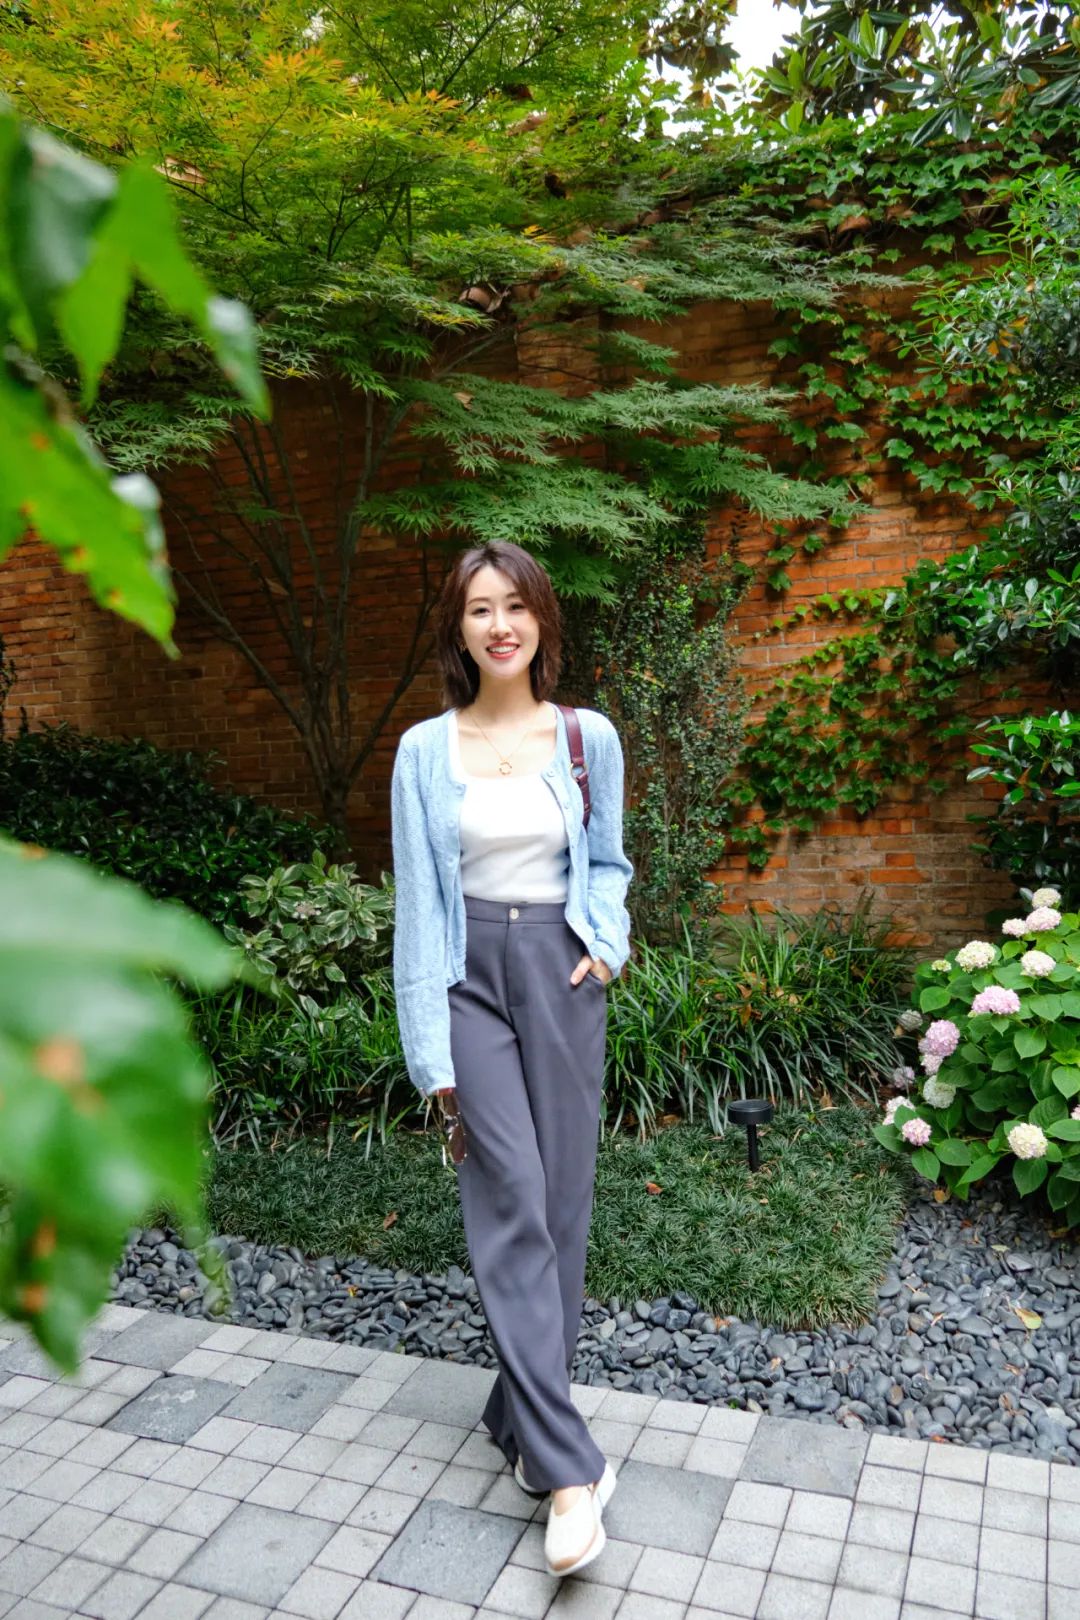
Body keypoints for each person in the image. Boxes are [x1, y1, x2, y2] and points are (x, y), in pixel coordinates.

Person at [390, 540, 634, 1577]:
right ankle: (569, 1473)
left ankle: (520, 1418)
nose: (500, 625)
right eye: (480, 609)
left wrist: (605, 946)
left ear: (541, 619)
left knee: (563, 1207)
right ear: (458, 628)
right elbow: (418, 905)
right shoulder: (422, 751)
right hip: (467, 980)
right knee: (511, 1197)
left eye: (516, 606)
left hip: (561, 970)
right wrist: (429, 1049)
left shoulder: (586, 737)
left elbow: (609, 861)